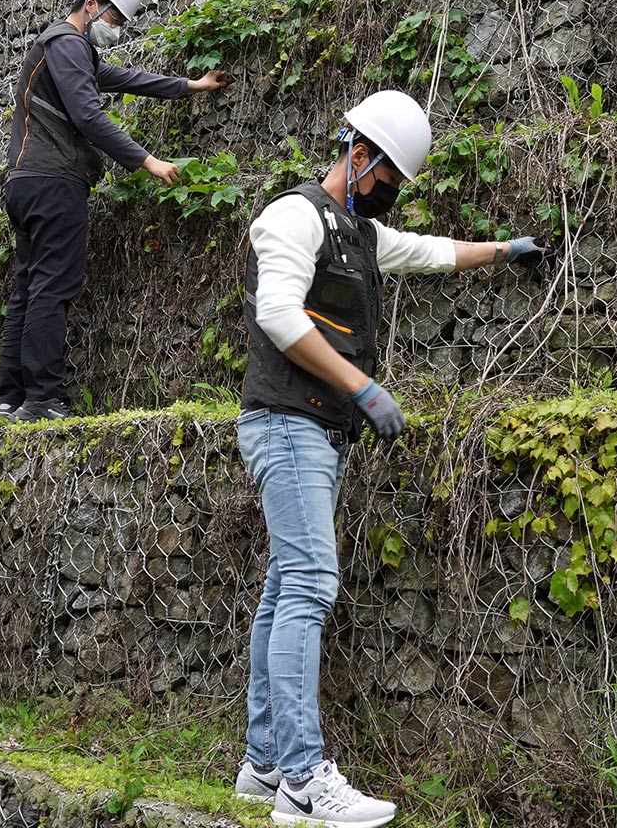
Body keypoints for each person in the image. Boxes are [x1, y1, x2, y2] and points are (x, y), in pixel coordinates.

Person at [231, 90, 543, 827]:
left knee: (285, 588)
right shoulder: (294, 215)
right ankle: (304, 780)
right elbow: (277, 313)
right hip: (286, 424)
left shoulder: (360, 235)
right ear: (358, 154)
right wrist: (363, 385)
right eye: (388, 180)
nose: (390, 194)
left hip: (317, 432)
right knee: (310, 583)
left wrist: (505, 249)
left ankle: (265, 760)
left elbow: (431, 252)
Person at [0, 0, 231, 421]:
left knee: (28, 287)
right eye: (115, 19)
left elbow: (124, 79)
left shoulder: (67, 50)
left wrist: (190, 85)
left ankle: (13, 397)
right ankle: (43, 398)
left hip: (27, 182)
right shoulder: (66, 43)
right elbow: (88, 116)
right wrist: (148, 161)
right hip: (54, 181)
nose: (117, 29)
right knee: (52, 287)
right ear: (90, 4)